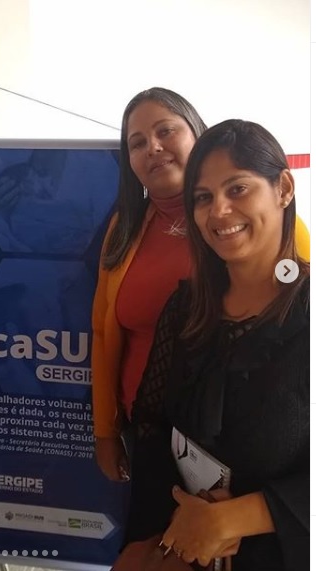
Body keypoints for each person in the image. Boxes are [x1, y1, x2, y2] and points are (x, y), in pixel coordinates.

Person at [90, 87, 310, 482]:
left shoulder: (273, 225)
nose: (153, 148)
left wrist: (259, 506)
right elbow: (103, 332)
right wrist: (105, 430)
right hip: (153, 431)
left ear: (196, 132)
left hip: (255, 445)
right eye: (137, 143)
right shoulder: (124, 228)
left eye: (166, 131)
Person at [127, 119, 309, 570]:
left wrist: (239, 517)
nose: (219, 211)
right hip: (180, 546)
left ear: (284, 189)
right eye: (203, 198)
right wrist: (164, 530)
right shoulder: (186, 308)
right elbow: (151, 427)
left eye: (238, 189)